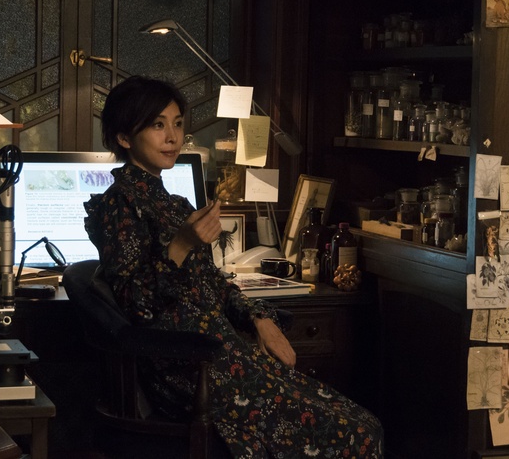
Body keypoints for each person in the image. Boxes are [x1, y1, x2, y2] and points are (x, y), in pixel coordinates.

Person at [84, 75, 383, 458]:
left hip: (222, 353)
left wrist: (259, 317)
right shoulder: (119, 204)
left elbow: (212, 282)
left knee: (361, 423)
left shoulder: (173, 204)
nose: (172, 137)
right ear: (124, 138)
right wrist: (181, 245)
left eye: (177, 123)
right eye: (158, 125)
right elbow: (135, 305)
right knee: (358, 435)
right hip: (188, 364)